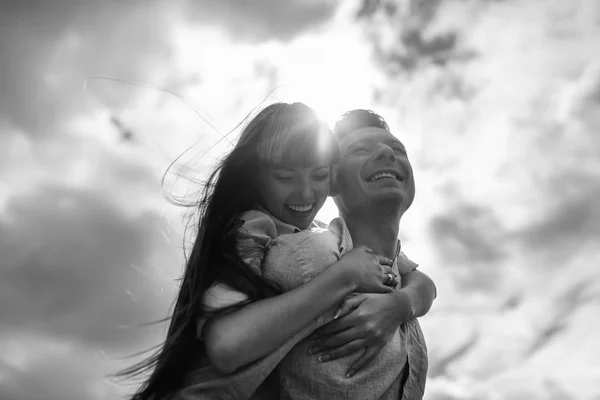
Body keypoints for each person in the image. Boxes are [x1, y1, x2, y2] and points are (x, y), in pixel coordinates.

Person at [118, 102, 407, 400]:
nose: (306, 193)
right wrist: (343, 277)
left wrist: (405, 303)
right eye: (284, 177)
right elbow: (226, 346)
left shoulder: (320, 233)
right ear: (254, 176)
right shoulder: (252, 229)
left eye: (319, 176)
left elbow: (413, 275)